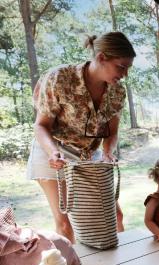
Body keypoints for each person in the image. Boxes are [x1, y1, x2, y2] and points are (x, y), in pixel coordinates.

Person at [27, 32, 136, 243]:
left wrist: (107, 152)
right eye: (121, 67)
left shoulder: (117, 92)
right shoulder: (59, 78)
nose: (125, 74)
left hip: (88, 154)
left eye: (128, 68)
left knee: (115, 216)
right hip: (53, 150)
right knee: (66, 224)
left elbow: (112, 132)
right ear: (102, 57)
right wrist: (53, 153)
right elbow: (41, 126)